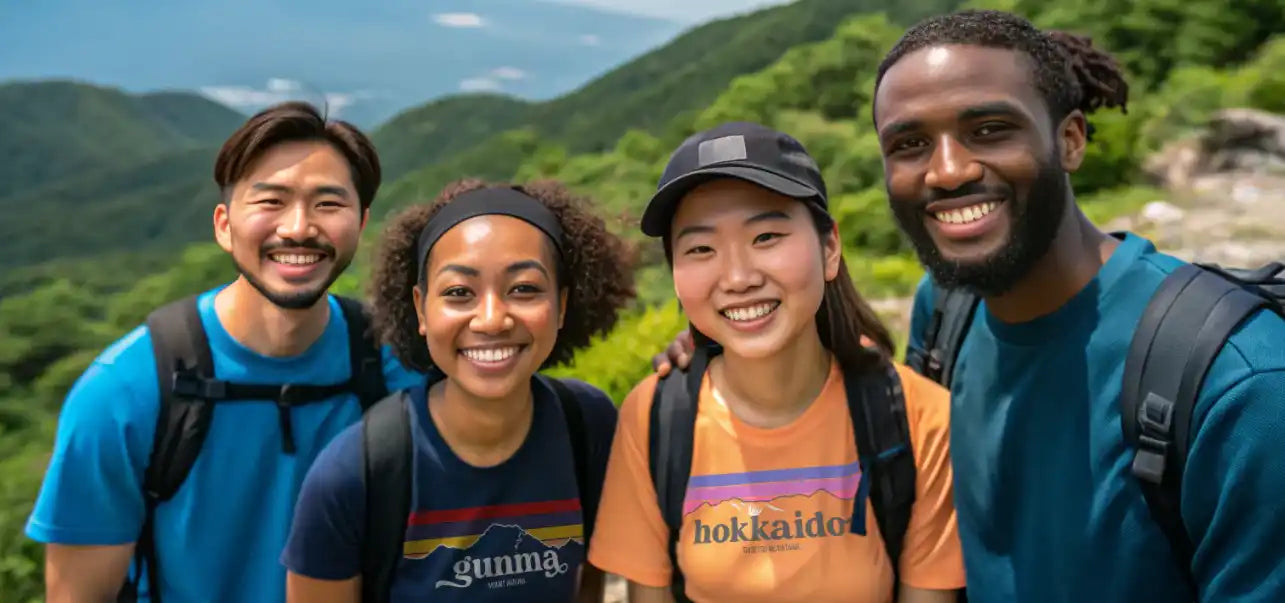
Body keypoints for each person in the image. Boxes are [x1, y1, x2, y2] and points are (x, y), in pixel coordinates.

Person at [656, 9, 1285, 603]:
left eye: (989, 130)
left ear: (1069, 141)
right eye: (910, 145)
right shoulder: (948, 311)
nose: (947, 170)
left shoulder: (1238, 387)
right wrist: (733, 344)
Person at [25, 101, 422, 603]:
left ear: (361, 224)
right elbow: (79, 596)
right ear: (223, 225)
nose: (299, 227)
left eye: (328, 203)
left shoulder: (399, 370)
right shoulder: (127, 390)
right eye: (270, 201)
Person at [589, 121, 965, 603]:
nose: (739, 277)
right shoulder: (655, 417)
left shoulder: (918, 418)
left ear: (829, 248)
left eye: (766, 237)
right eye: (701, 249)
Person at [280, 178, 635, 603]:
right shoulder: (356, 473)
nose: (490, 319)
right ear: (421, 308)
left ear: (560, 304)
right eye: (459, 293)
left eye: (523, 288)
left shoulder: (588, 425)